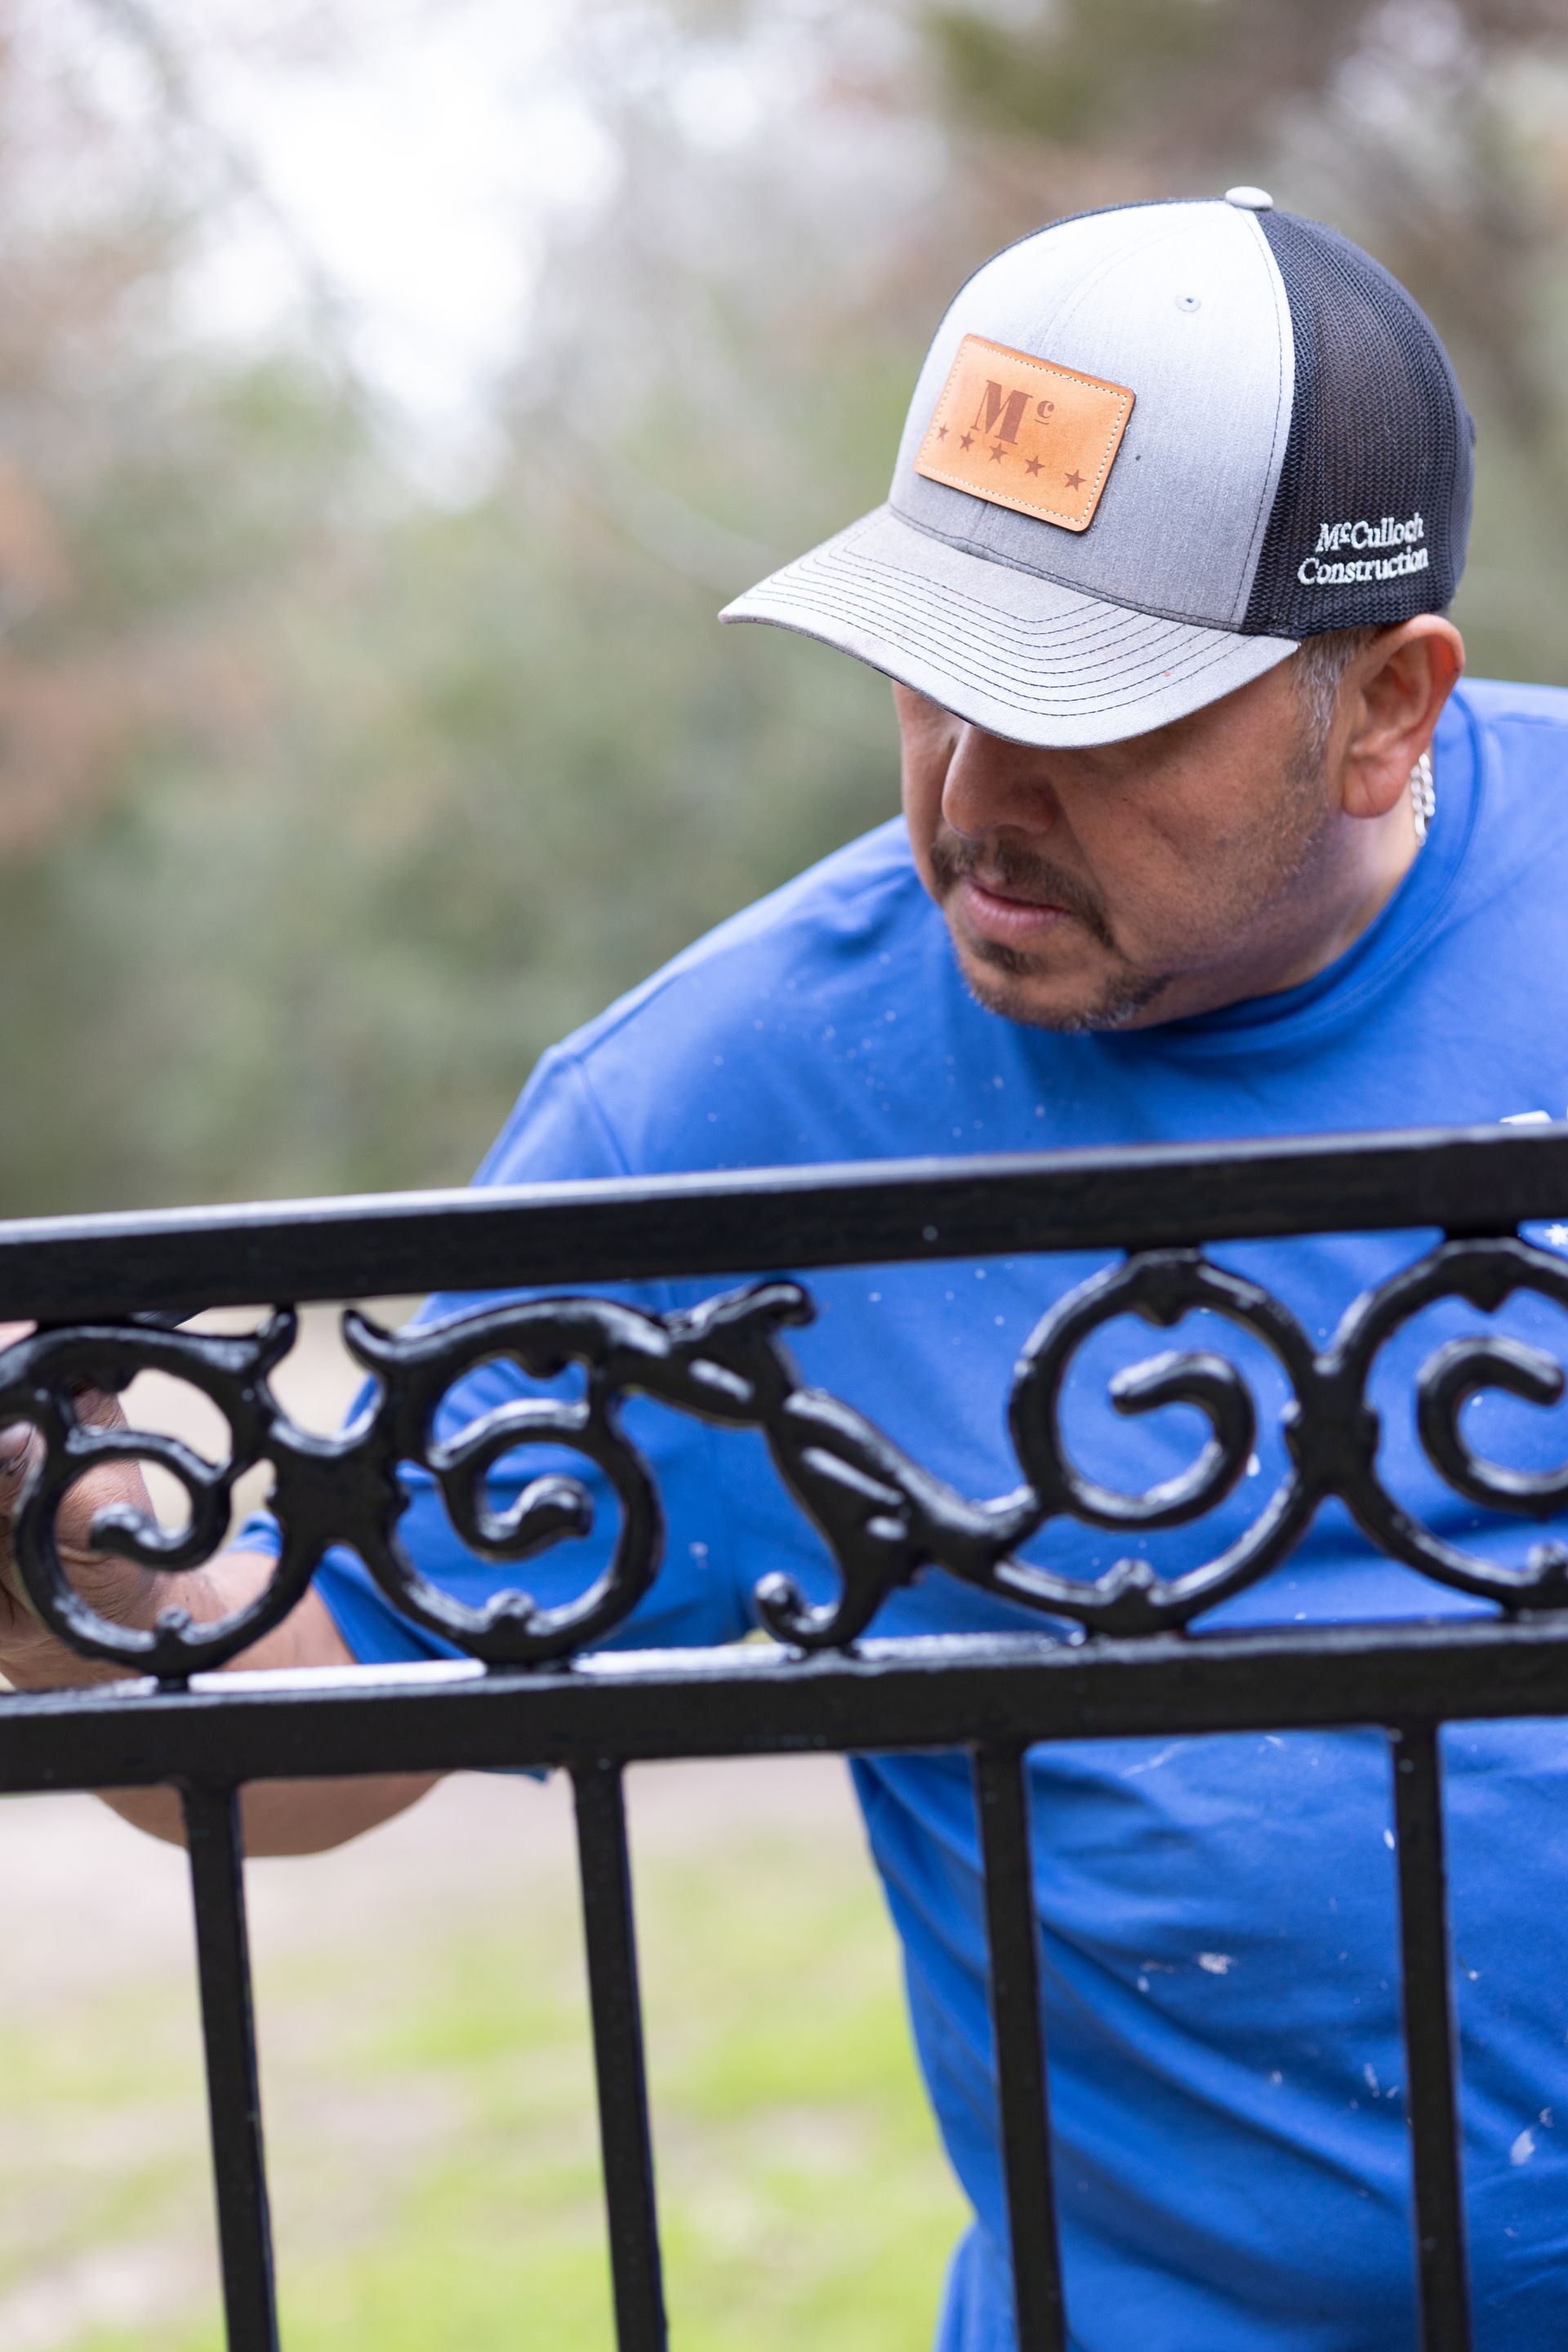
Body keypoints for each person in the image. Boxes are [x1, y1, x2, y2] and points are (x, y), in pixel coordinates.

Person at [2, 189, 1566, 2350]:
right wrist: (55, 1544)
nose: (976, 794)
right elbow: (340, 1706)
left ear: (1383, 707)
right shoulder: (721, 1120)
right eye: (933, 672)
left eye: (1095, 714)